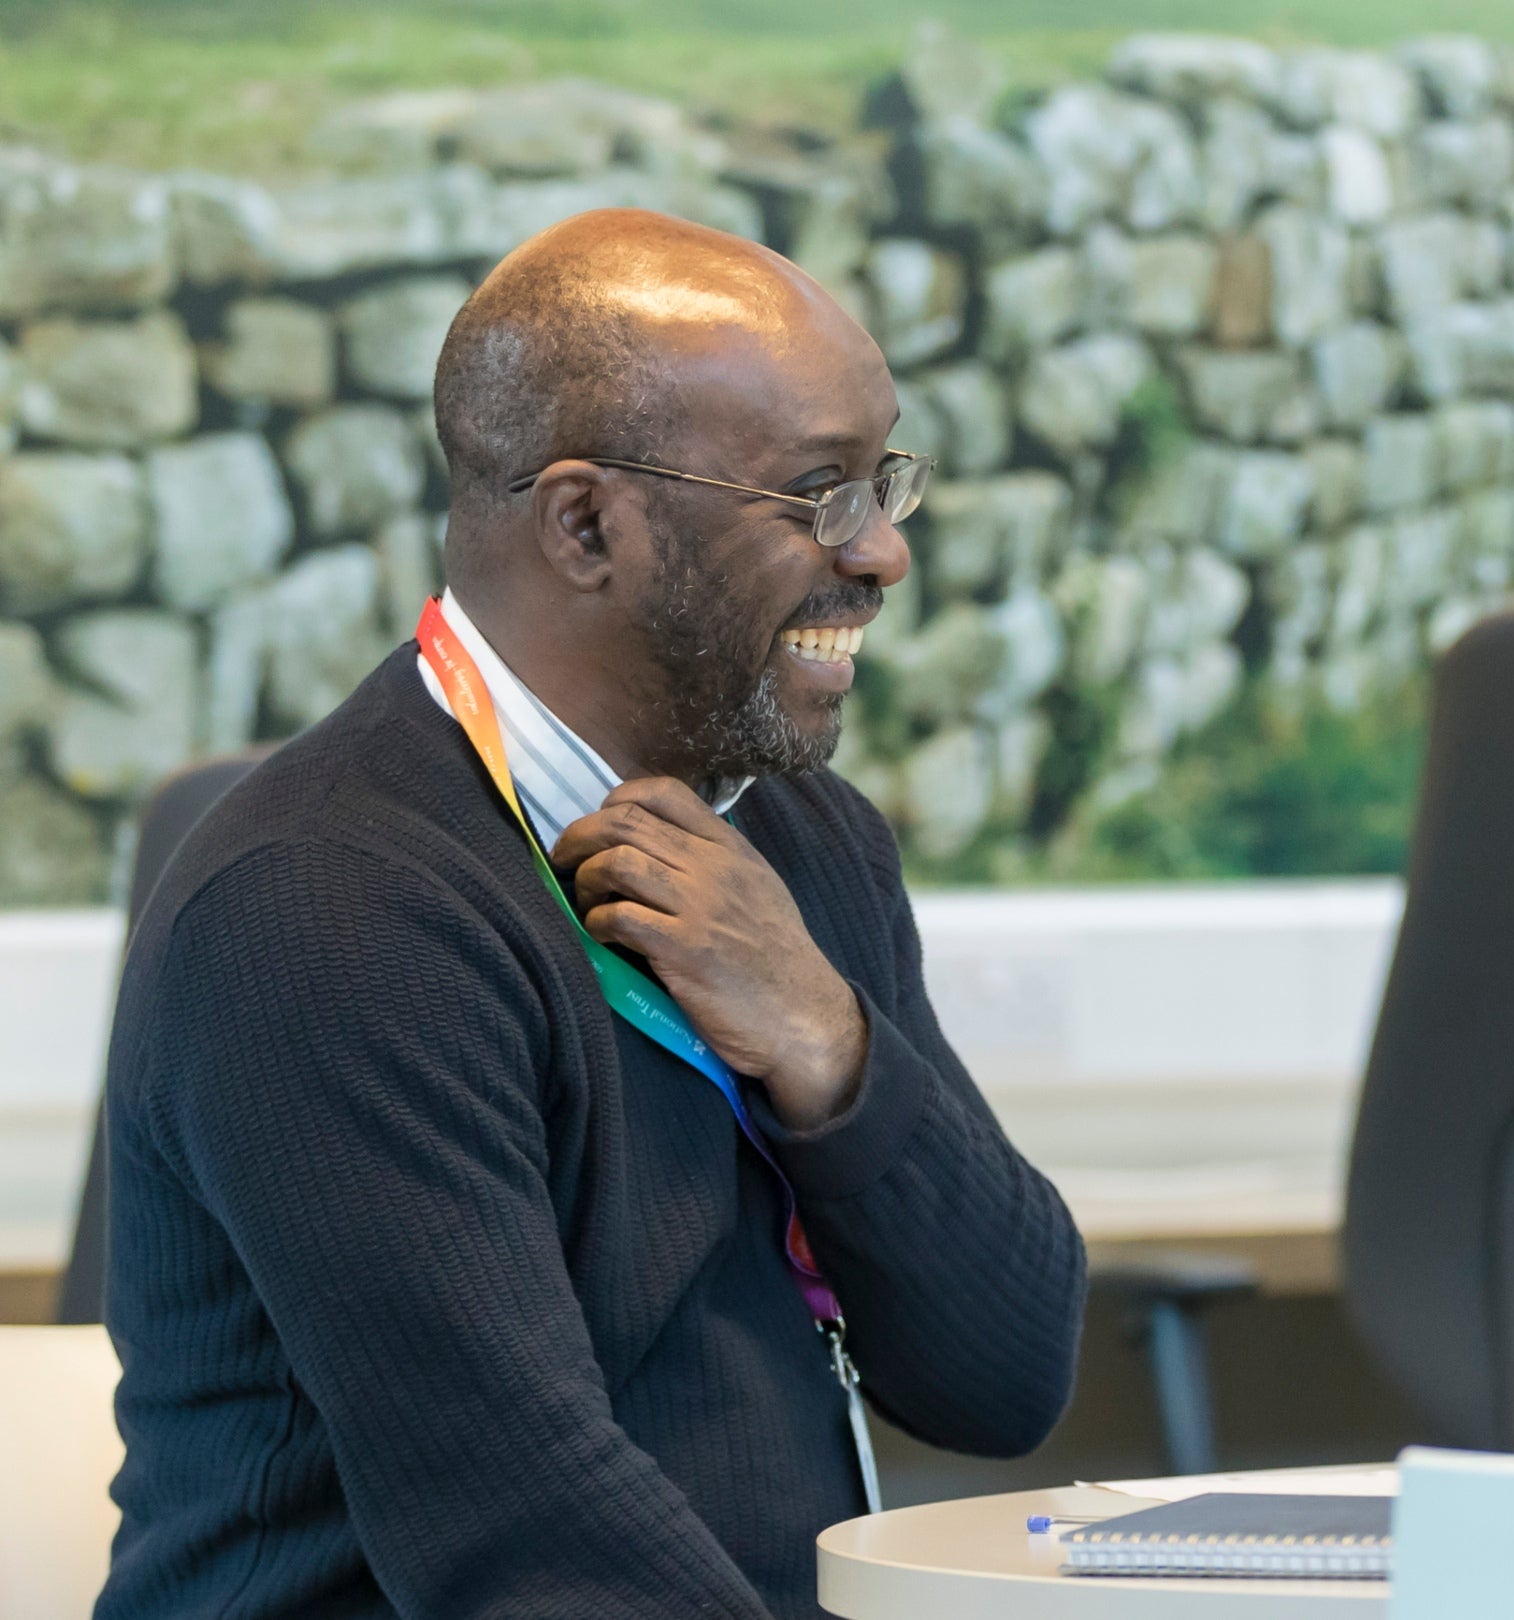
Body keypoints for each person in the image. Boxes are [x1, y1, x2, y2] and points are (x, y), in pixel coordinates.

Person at [95, 209, 1086, 1619]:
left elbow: (1004, 1379)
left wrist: (831, 1047)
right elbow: (526, 1535)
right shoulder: (321, 910)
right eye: (819, 491)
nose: (881, 557)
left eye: (885, 483)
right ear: (584, 525)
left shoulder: (807, 840)